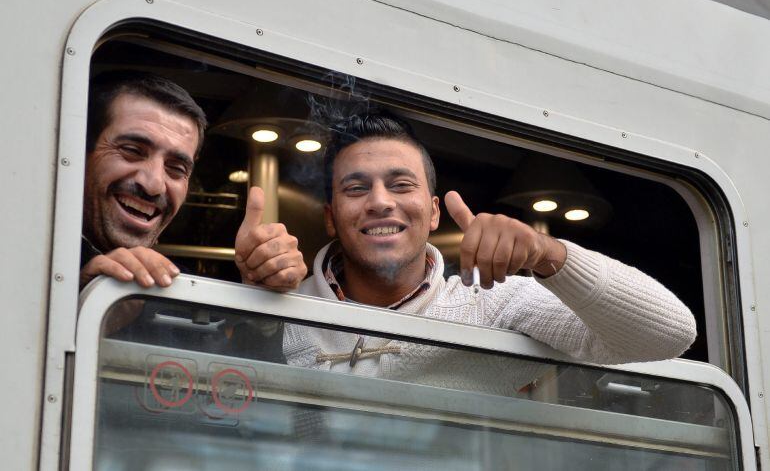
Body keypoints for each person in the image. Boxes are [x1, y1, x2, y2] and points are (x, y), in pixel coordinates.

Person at [278, 110, 697, 383]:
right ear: (331, 217)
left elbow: (668, 335)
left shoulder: (492, 304)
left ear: (434, 212)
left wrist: (547, 253)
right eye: (357, 188)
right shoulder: (284, 308)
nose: (381, 201)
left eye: (401, 185)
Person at [81, 73, 305, 292]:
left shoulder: (179, 287)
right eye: (131, 151)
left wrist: (258, 295)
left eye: (176, 168)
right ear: (82, 152)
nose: (154, 184)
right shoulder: (49, 265)